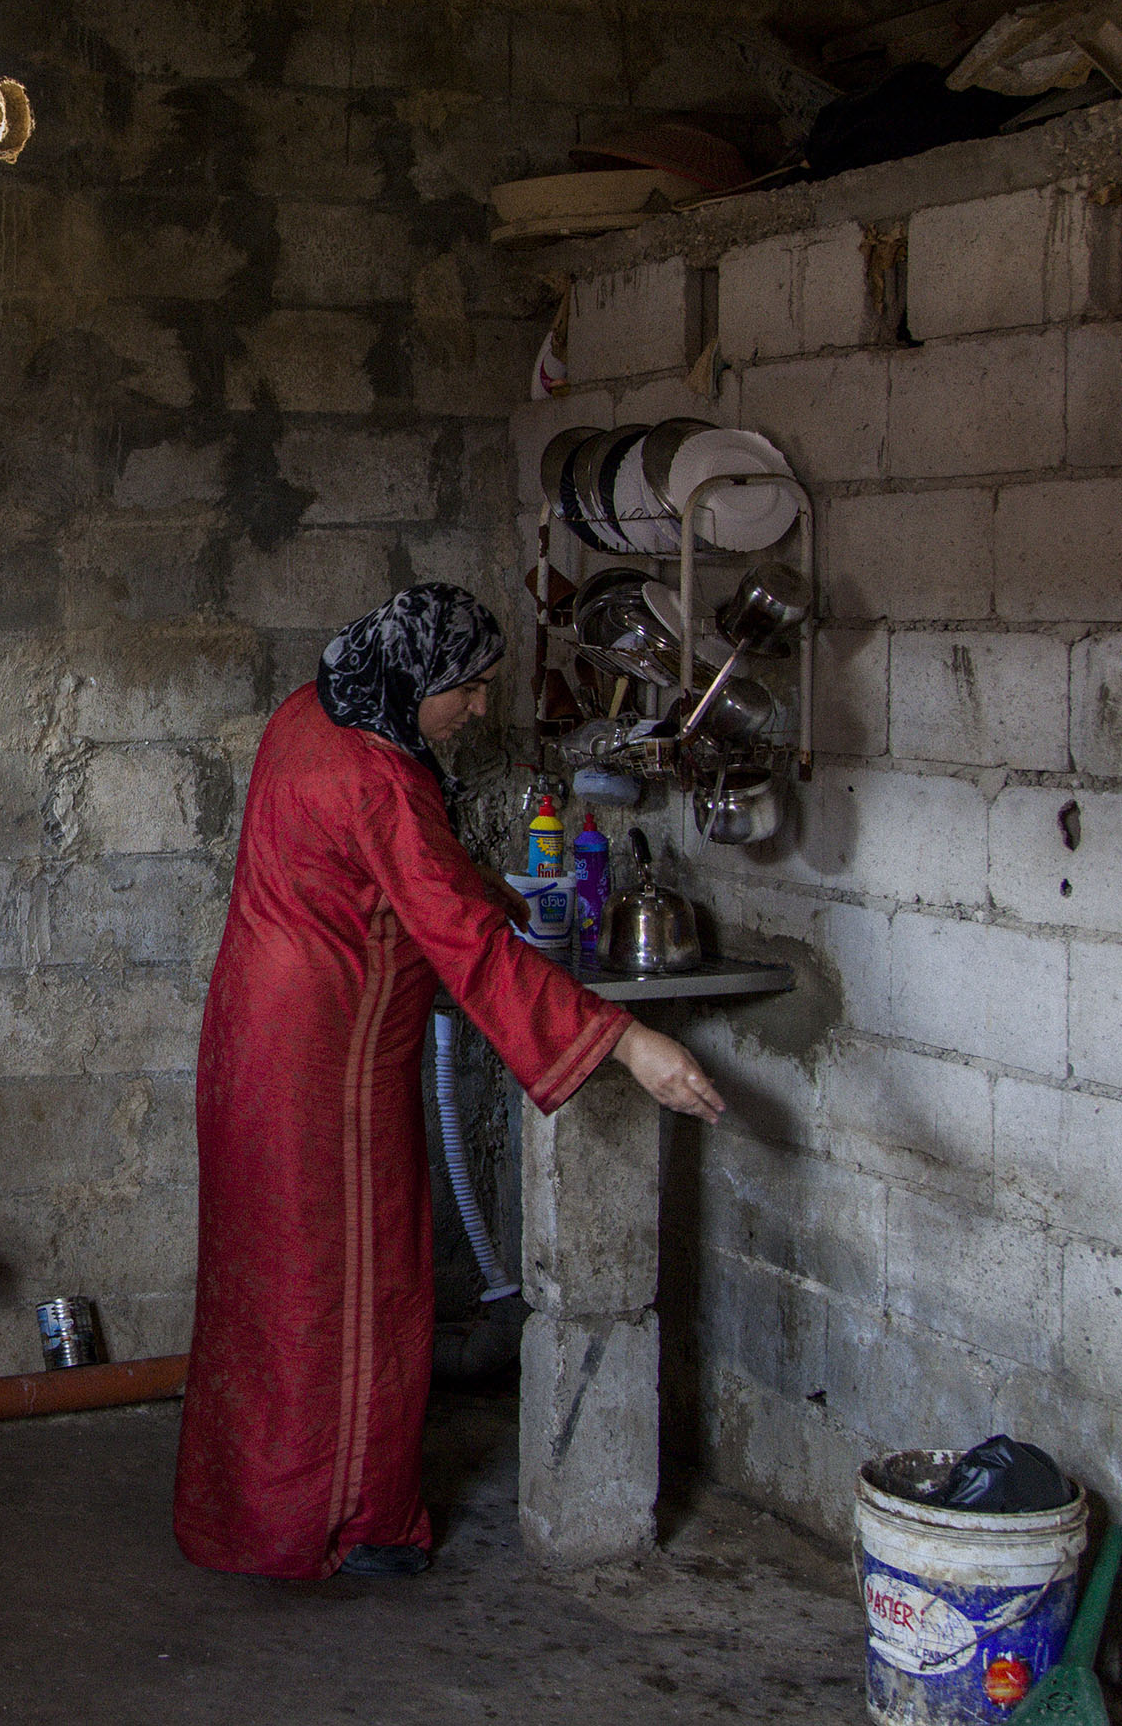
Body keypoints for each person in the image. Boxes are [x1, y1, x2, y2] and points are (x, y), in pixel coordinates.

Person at [172, 583, 724, 1582]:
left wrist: (481, 889)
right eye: (462, 689)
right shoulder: (376, 777)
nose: (474, 707)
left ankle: (248, 1510)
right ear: (414, 681)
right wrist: (625, 1038)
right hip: (324, 1055)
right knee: (350, 1285)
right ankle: (347, 1522)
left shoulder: (317, 709)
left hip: (255, 1029)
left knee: (269, 1279)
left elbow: (402, 876)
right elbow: (464, 946)